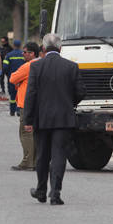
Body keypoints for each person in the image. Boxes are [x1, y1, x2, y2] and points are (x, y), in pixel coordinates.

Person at [24, 33, 86, 205]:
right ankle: (55, 194)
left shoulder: (36, 67)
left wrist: (27, 120)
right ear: (60, 48)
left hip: (41, 118)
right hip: (64, 119)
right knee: (59, 155)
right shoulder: (71, 67)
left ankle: (41, 190)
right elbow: (81, 92)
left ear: (43, 49)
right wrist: (68, 102)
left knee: (42, 155)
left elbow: (31, 94)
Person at [9, 42, 41, 171]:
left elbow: (12, 78)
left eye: (25, 52)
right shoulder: (41, 64)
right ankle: (35, 161)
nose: (23, 54)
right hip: (39, 104)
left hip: (26, 104)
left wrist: (20, 80)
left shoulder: (28, 66)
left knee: (25, 133)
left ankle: (28, 161)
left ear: (32, 54)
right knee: (35, 134)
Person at [2, 39, 25, 116]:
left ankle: (12, 111)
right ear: (20, 45)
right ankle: (18, 110)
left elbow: (5, 67)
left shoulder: (9, 55)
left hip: (12, 78)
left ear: (14, 45)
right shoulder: (23, 55)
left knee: (12, 95)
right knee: (20, 94)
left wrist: (6, 74)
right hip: (22, 78)